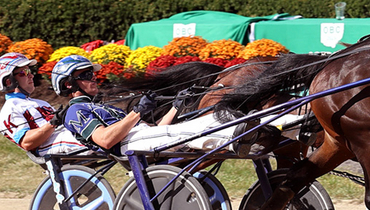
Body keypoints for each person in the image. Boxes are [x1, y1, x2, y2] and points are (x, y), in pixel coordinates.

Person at [51, 55, 256, 157]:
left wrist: (176, 106)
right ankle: (242, 140)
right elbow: (104, 140)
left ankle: (253, 129)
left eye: (93, 74)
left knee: (210, 119)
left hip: (143, 139)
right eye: (86, 75)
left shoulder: (105, 107)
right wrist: (136, 112)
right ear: (68, 84)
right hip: (128, 147)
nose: (93, 79)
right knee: (195, 130)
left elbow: (155, 130)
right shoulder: (75, 111)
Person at [0, 53, 87, 159]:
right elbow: (27, 143)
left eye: (30, 71)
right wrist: (53, 123)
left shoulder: (41, 103)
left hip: (64, 135)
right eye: (24, 72)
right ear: (8, 81)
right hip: (47, 146)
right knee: (93, 138)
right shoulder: (10, 108)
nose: (31, 75)